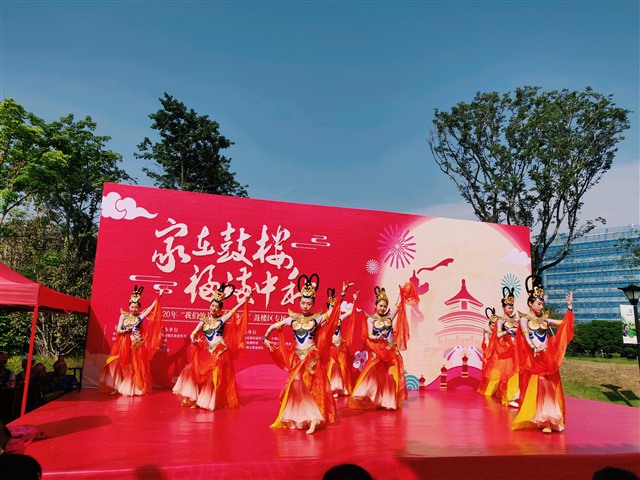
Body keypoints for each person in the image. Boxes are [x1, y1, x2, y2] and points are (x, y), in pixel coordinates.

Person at [262, 274, 352, 434]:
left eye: (309, 303)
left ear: (313, 304)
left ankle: (315, 418)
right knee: (296, 384)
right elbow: (274, 326)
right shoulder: (292, 319)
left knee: (313, 387)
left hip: (312, 357)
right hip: (298, 357)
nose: (305, 306)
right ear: (299, 302)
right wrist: (265, 338)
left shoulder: (317, 319)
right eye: (303, 302)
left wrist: (343, 293)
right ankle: (300, 416)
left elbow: (333, 312)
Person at [172, 282, 251, 410]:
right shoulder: (203, 321)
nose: (213, 308)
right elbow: (193, 333)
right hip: (210, 352)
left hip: (221, 351)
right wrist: (193, 338)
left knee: (213, 376)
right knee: (192, 370)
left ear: (220, 309)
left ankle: (210, 402)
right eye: (212, 305)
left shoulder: (222, 319)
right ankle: (197, 399)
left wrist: (246, 298)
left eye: (216, 307)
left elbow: (234, 310)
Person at [512, 275, 574, 433]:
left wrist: (569, 308)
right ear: (530, 303)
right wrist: (534, 348)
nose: (541, 306)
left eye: (542, 304)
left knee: (547, 386)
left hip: (546, 358)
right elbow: (526, 336)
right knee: (537, 386)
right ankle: (541, 418)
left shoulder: (545, 321)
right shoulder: (524, 320)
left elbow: (564, 324)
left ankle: (549, 419)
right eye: (539, 304)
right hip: (534, 358)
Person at [348, 283, 416, 411]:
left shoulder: (389, 317)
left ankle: (388, 402)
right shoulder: (370, 320)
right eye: (380, 306)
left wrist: (401, 292)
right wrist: (379, 336)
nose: (383, 308)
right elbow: (369, 335)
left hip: (391, 351)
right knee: (373, 374)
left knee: (390, 375)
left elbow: (398, 305)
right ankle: (366, 395)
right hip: (378, 351)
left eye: (385, 306)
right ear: (375, 306)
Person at [99, 285, 164, 396]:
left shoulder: (140, 316)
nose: (134, 309)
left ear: (139, 308)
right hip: (124, 344)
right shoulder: (123, 316)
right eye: (132, 307)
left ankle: (134, 388)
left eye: (136, 307)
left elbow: (151, 308)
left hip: (137, 344)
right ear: (129, 306)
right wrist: (125, 330)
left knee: (135, 367)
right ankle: (118, 387)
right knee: (120, 365)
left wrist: (160, 295)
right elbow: (118, 330)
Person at [326, 287, 358, 397]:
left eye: (336, 307)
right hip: (331, 347)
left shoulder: (339, 318)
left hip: (340, 346)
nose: (334, 309)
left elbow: (351, 312)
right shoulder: (326, 319)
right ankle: (332, 388)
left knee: (341, 367)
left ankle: (341, 388)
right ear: (328, 308)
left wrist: (354, 300)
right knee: (333, 366)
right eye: (332, 307)